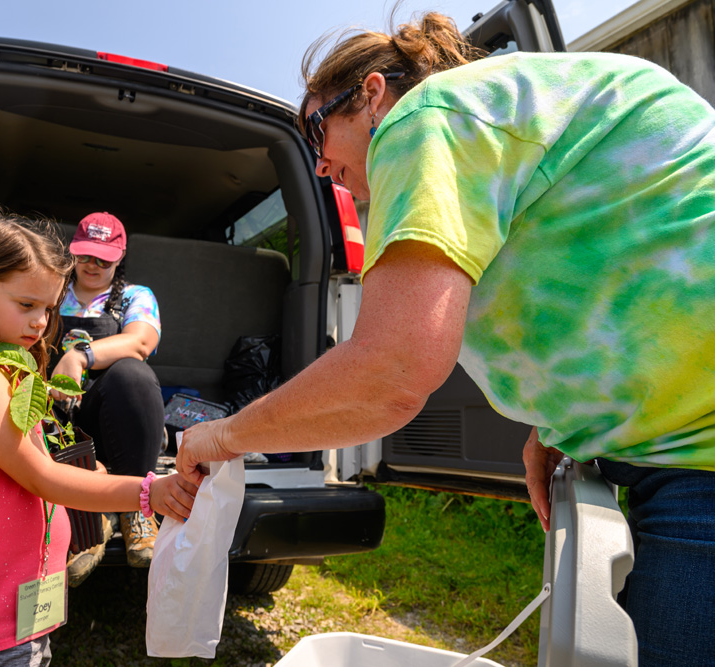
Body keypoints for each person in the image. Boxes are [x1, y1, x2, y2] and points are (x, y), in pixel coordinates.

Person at [176, 13, 715, 667]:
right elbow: (619, 262)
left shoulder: (423, 116)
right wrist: (561, 421)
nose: (318, 164)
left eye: (317, 127)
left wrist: (219, 436)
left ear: (373, 93)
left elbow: (390, 372)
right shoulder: (499, 113)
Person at [0, 206, 196, 667]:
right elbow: (40, 475)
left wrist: (90, 468)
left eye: (48, 308)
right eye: (27, 306)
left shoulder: (6, 360)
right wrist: (149, 492)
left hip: (14, 614)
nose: (42, 323)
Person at [49, 211, 167, 571]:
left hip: (113, 418)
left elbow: (141, 342)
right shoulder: (50, 289)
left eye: (104, 258)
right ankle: (90, 522)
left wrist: (80, 356)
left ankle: (137, 511)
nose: (93, 265)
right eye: (85, 255)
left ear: (120, 258)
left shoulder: (135, 296)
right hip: (58, 415)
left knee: (133, 374)